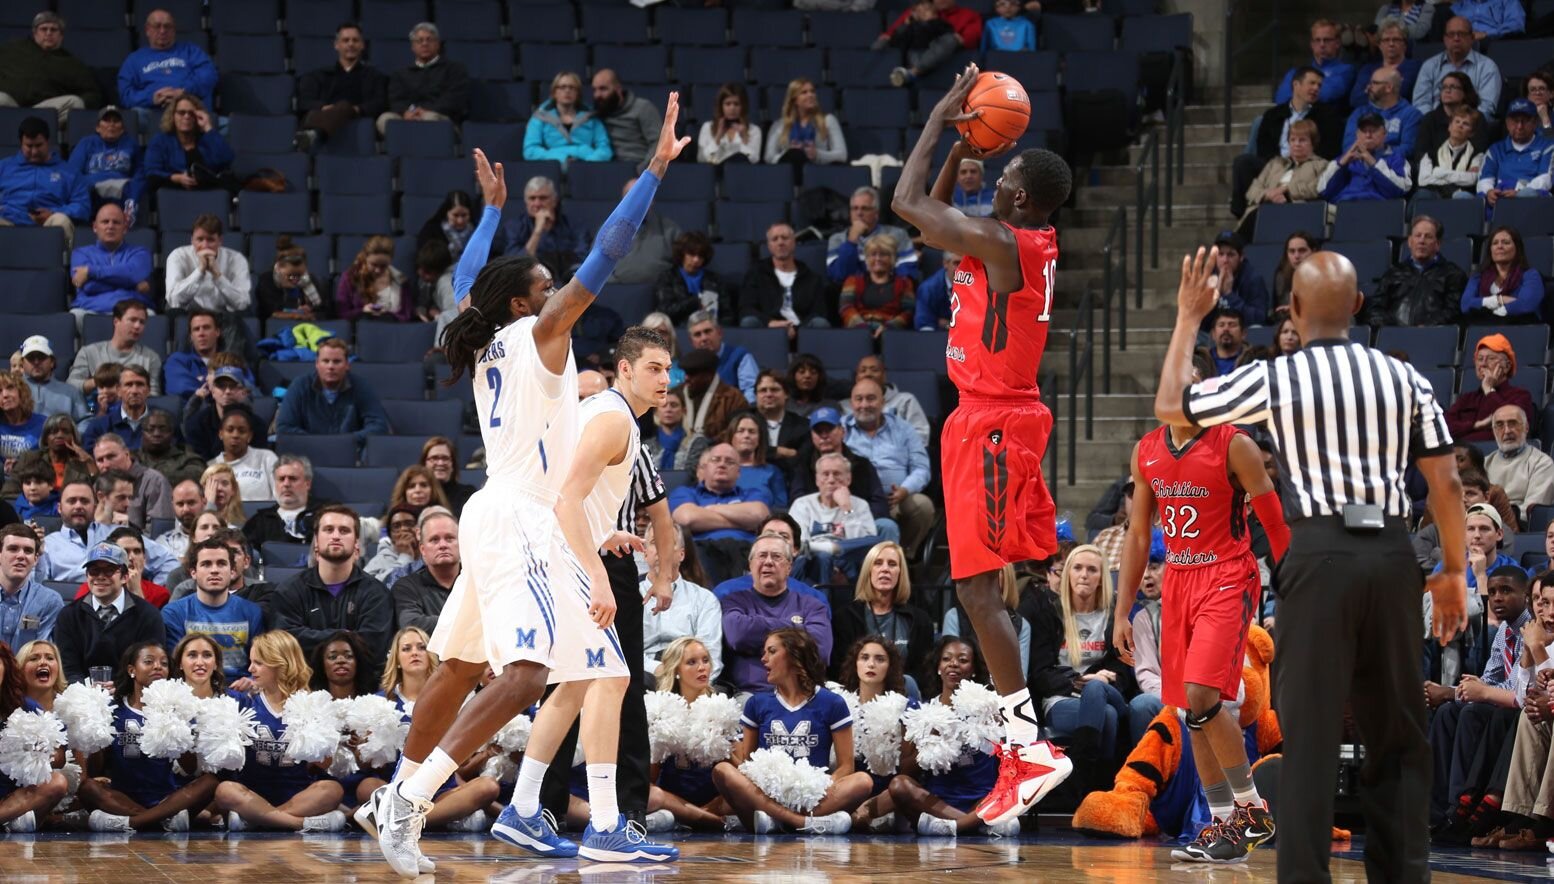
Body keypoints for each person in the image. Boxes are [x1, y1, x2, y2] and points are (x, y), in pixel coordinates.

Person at [363, 111, 690, 875]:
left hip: (501, 513)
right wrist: (654, 173)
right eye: (543, 287)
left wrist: (492, 215)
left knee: (456, 668)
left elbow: (468, 282)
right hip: (517, 517)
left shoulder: (482, 337)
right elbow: (608, 252)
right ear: (525, 305)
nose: (555, 291)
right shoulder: (539, 335)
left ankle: (398, 797)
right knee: (527, 674)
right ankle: (413, 798)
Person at [1155, 246, 1467, 881]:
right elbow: (1447, 484)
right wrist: (1456, 571)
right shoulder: (1406, 379)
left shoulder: (1276, 376)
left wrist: (1189, 317)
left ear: (1293, 308)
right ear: (1357, 305)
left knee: (1311, 741)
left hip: (1318, 555)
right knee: (1400, 738)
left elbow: (1171, 408)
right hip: (1390, 555)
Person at [892, 62, 1088, 825]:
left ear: (1019, 198)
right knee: (978, 583)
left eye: (1001, 170)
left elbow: (907, 206)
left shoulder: (1010, 245)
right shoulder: (1002, 238)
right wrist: (961, 153)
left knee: (978, 587)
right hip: (983, 417)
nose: (994, 177)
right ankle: (1026, 743)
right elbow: (933, 210)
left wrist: (943, 120)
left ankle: (1028, 744)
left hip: (997, 419)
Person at [1114, 417, 1287, 862]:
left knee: (1202, 694)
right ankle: (1222, 823)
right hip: (1178, 581)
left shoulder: (1235, 445)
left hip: (1228, 575)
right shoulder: (1147, 450)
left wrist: (1296, 584)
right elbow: (1137, 534)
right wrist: (1122, 608)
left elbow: (1275, 520)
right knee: (1189, 708)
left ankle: (1252, 811)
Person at [711, 626, 869, 832]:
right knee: (721, 771)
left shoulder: (832, 703)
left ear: (795, 656)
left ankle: (777, 822)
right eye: (764, 652)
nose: (763, 659)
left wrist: (816, 788)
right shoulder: (756, 703)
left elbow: (846, 768)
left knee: (862, 781)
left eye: (772, 651)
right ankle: (801, 823)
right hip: (765, 795)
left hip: (811, 797)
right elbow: (749, 765)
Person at [356, 627, 500, 830]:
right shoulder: (379, 702)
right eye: (406, 648)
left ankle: (401, 822)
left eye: (421, 647)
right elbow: (366, 766)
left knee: (488, 786)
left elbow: (459, 763)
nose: (414, 652)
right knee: (367, 786)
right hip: (393, 787)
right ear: (396, 659)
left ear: (431, 654)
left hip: (441, 792)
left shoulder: (451, 698)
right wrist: (366, 745)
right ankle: (426, 818)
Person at [212, 630, 349, 832]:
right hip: (251, 794)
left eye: (258, 663)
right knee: (224, 790)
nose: (250, 668)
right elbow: (225, 762)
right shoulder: (243, 700)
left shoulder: (311, 703)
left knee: (333, 790)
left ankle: (256, 821)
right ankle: (300, 824)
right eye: (251, 661)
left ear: (280, 664)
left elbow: (324, 764)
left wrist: (313, 741)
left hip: (298, 796)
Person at [78, 640, 221, 833]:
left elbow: (189, 768)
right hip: (122, 797)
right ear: (132, 670)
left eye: (163, 663)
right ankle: (160, 821)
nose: (157, 667)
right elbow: (96, 769)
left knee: (212, 782)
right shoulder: (115, 709)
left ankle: (134, 823)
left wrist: (177, 727)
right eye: (149, 661)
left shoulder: (179, 707)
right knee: (88, 787)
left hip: (168, 798)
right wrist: (94, 730)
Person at [887, 635, 1024, 836]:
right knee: (899, 786)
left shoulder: (991, 708)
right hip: (937, 803)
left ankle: (954, 827)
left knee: (1012, 793)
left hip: (981, 800)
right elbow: (906, 771)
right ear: (938, 667)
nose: (954, 664)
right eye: (946, 659)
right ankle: (973, 825)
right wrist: (929, 743)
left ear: (974, 669)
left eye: (963, 660)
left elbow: (1010, 765)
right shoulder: (921, 711)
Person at [267, 505, 393, 676]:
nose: (335, 536)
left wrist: (314, 639)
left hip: (362, 690)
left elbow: (373, 649)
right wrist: (345, 636)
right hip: (303, 688)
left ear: (356, 543)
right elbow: (284, 644)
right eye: (328, 530)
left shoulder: (376, 593)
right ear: (316, 543)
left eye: (344, 531)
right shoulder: (289, 591)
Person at [1230, 66, 1342, 219]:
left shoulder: (1328, 116)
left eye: (1319, 85)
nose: (1316, 88)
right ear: (1296, 85)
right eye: (1312, 83)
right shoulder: (1273, 115)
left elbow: (1330, 150)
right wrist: (1280, 167)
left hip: (1307, 165)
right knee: (1243, 162)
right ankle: (1243, 215)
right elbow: (1264, 148)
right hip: (1276, 164)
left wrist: (1300, 159)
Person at [644, 637, 730, 831]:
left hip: (716, 800)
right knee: (647, 793)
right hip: (674, 798)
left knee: (744, 792)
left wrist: (720, 737)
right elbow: (651, 776)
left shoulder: (723, 707)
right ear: (676, 671)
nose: (702, 668)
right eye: (692, 662)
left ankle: (691, 818)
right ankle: (711, 821)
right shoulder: (660, 709)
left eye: (705, 660)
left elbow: (736, 772)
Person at [52, 541, 167, 683]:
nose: (100, 576)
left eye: (109, 570)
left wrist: (120, 689)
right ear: (87, 575)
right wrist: (88, 693)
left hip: (132, 697)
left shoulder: (148, 615)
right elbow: (68, 668)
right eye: (94, 571)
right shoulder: (68, 615)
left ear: (125, 577)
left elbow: (151, 665)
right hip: (82, 697)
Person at [842, 378, 933, 556]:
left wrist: (905, 490)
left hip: (895, 500)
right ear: (851, 402)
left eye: (871, 398)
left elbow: (921, 467)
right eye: (858, 399)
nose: (864, 404)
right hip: (856, 501)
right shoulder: (841, 428)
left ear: (883, 401)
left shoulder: (904, 429)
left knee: (922, 506)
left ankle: (903, 556)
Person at [159, 538, 265, 681]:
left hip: (240, 692)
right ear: (193, 572)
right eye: (206, 564)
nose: (214, 570)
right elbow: (176, 667)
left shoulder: (252, 612)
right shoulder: (173, 613)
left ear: (232, 571)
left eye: (221, 564)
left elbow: (260, 663)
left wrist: (251, 681)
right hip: (191, 691)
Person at [670, 444, 773, 585]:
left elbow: (760, 516)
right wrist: (741, 521)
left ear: (738, 472)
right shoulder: (685, 492)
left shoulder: (753, 493)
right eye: (716, 460)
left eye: (730, 462)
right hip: (701, 551)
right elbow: (687, 519)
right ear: (705, 468)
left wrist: (709, 509)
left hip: (746, 551)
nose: (722, 464)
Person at [829, 541, 931, 681]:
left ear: (900, 573)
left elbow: (923, 673)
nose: (885, 569)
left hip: (905, 696)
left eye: (892, 564)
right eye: (878, 563)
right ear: (868, 571)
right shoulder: (844, 618)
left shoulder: (920, 620)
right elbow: (839, 670)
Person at [640, 524, 721, 678]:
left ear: (682, 554)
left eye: (668, 543)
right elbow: (626, 652)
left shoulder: (705, 600)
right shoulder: (629, 597)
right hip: (641, 677)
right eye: (654, 543)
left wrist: (686, 680)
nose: (661, 550)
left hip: (691, 678)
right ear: (645, 553)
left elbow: (710, 656)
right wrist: (658, 670)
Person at [294, 22, 389, 153]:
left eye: (355, 40)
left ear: (362, 45)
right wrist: (324, 107)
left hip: (357, 118)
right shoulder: (318, 75)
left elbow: (381, 102)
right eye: (345, 40)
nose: (351, 44)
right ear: (336, 45)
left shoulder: (375, 76)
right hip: (324, 113)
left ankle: (315, 134)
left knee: (345, 106)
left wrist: (356, 109)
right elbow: (303, 102)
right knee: (342, 106)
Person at [275, 338, 390, 444]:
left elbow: (378, 426)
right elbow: (284, 427)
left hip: (350, 454)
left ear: (347, 365)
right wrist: (318, 442)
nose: (331, 366)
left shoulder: (361, 386)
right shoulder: (300, 385)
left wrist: (346, 441)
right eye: (325, 361)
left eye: (337, 361)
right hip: (308, 453)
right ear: (317, 364)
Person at [1363, 214, 1467, 327]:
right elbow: (1375, 309)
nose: (1421, 241)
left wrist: (1426, 327)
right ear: (1410, 241)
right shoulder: (1393, 273)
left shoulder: (1453, 274)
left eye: (1428, 236)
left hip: (1431, 337)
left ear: (1437, 244)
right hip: (1392, 338)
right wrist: (1390, 328)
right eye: (1418, 235)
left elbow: (1453, 312)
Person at [0, 115, 89, 243]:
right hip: (10, 219)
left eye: (39, 145)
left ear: (48, 142)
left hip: (49, 222)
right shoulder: (4, 166)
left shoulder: (69, 172)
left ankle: (68, 262)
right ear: (21, 144)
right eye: (29, 146)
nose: (34, 151)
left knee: (61, 220)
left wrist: (53, 212)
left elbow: (83, 206)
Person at [141, 94, 237, 212]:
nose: (186, 116)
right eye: (181, 113)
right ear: (173, 116)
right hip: (174, 198)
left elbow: (226, 158)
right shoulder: (160, 141)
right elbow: (151, 174)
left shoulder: (207, 139)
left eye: (191, 113)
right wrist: (175, 178)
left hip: (207, 197)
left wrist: (208, 127)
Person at [0, 12, 99, 125]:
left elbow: (92, 94)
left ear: (61, 35)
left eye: (53, 30)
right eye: (44, 29)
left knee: (75, 102)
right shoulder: (13, 49)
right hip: (10, 107)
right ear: (35, 33)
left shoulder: (71, 63)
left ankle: (35, 128)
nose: (48, 33)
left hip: (44, 113)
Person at [116, 9, 216, 116]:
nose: (163, 31)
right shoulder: (134, 60)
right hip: (151, 113)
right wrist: (151, 97)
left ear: (174, 30)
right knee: (132, 117)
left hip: (188, 111)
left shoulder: (190, 51)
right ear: (147, 30)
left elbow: (209, 76)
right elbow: (125, 95)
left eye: (167, 26)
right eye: (157, 26)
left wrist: (184, 91)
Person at [377, 23, 470, 135]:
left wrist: (426, 110)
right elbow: (395, 99)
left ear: (438, 44)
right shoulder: (401, 73)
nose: (424, 43)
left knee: (429, 118)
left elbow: (454, 99)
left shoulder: (454, 69)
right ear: (413, 46)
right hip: (408, 116)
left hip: (440, 116)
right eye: (419, 40)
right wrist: (406, 112)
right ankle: (403, 149)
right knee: (385, 119)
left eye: (429, 40)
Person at [739, 221, 830, 333]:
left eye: (785, 238)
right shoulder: (756, 274)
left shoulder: (812, 278)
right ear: (769, 245)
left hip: (802, 330)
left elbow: (819, 312)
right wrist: (770, 322)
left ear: (794, 242)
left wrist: (796, 329)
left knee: (820, 323)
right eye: (775, 239)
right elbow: (746, 308)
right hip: (768, 329)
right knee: (749, 321)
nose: (780, 242)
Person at [70, 202, 153, 314]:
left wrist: (90, 271)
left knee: (150, 315)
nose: (110, 226)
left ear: (125, 228)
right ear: (95, 227)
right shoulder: (80, 253)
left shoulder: (140, 252)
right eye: (105, 222)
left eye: (116, 222)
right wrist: (131, 285)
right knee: (76, 314)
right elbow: (89, 286)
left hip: (131, 311)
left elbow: (134, 274)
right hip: (90, 310)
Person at [68, 300, 162, 397]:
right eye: (132, 320)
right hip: (94, 409)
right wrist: (101, 382)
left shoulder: (151, 357)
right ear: (116, 321)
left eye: (142, 322)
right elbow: (71, 385)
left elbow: (153, 394)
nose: (137, 326)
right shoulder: (89, 352)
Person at [879, 0, 983, 89]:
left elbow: (968, 40)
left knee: (950, 40)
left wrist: (932, 21)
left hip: (949, 63)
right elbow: (890, 35)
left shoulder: (969, 15)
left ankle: (913, 72)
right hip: (914, 54)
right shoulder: (920, 9)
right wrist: (912, 23)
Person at [1413, 17, 1502, 120]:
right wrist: (1435, 124)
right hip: (1435, 127)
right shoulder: (1429, 66)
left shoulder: (1487, 67)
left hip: (1470, 128)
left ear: (1472, 38)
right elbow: (1420, 104)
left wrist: (1459, 124)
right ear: (1444, 39)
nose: (1456, 38)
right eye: (1451, 34)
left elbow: (1486, 109)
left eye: (1462, 34)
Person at [500, 175, 589, 278]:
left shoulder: (575, 226)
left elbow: (583, 260)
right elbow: (515, 266)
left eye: (543, 198)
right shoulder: (513, 227)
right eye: (532, 198)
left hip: (569, 282)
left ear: (554, 200)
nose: (537, 203)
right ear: (526, 202)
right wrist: (538, 231)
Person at [826, 186, 916, 285]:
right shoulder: (837, 239)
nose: (859, 213)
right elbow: (839, 276)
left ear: (876, 213)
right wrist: (851, 242)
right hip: (852, 295)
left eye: (865, 208)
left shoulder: (898, 235)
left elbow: (907, 275)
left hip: (889, 292)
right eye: (855, 208)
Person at [1318, 111, 1411, 203]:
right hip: (1344, 209)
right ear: (1357, 134)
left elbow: (1400, 190)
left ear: (1384, 134)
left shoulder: (1396, 159)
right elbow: (1323, 191)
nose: (1368, 135)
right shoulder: (1344, 160)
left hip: (1378, 209)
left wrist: (1373, 164)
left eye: (1373, 130)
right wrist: (1341, 165)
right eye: (1364, 131)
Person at [524, 70, 612, 167]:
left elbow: (605, 149)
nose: (567, 90)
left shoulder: (591, 118)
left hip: (587, 168)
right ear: (554, 92)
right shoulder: (539, 117)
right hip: (552, 168)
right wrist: (560, 158)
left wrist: (587, 162)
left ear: (578, 93)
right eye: (562, 87)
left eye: (572, 87)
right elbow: (530, 151)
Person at [165, 215, 250, 313]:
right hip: (189, 313)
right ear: (192, 240)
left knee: (245, 313)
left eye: (210, 240)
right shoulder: (178, 256)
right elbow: (174, 300)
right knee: (174, 312)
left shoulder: (236, 259)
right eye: (200, 239)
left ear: (220, 241)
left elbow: (242, 303)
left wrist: (217, 276)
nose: (205, 246)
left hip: (223, 314)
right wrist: (200, 271)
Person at [393, 507, 459, 634]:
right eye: (434, 540)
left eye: (449, 538)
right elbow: (412, 626)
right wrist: (467, 622)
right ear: (422, 549)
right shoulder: (406, 587)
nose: (443, 545)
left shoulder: (479, 582)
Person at [1476, 99, 1554, 206]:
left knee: (1529, 194)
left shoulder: (1548, 147)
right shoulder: (1495, 150)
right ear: (1507, 123)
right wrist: (1489, 192)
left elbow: (1546, 179)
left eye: (1525, 120)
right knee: (1463, 198)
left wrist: (1519, 192)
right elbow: (1484, 178)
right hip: (1500, 201)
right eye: (1515, 121)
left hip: (1533, 204)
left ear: (1535, 122)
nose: (1519, 126)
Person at [1461, 225, 1546, 323]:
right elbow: (1466, 305)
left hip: (1519, 329)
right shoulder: (1477, 278)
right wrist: (1499, 300)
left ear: (1517, 248)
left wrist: (1486, 307)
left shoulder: (1530, 275)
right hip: (1485, 331)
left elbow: (1526, 304)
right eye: (1495, 243)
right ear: (1490, 250)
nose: (1500, 246)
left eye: (1506, 242)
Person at [1484, 405, 1554, 522]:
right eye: (1500, 425)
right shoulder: (1485, 463)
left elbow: (1533, 512)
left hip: (1518, 527)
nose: (1507, 431)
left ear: (1526, 428)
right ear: (1494, 431)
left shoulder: (1542, 463)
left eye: (1513, 423)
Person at [840, 235, 916, 335]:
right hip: (857, 335)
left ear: (892, 258)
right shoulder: (852, 281)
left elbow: (908, 312)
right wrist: (862, 329)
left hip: (891, 336)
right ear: (866, 258)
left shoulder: (904, 283)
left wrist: (888, 329)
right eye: (873, 254)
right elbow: (846, 308)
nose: (877, 259)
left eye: (883, 255)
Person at [0, 525, 61, 651]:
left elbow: (40, 654)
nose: (21, 556)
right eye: (13, 549)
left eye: (28, 550)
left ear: (35, 559)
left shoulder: (49, 601)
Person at [243, 455, 324, 549]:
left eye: (293, 478)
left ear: (307, 484)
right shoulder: (259, 521)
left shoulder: (326, 514)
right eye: (281, 479)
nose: (286, 484)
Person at [1341, 65, 1422, 157]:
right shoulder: (1359, 113)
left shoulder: (1411, 115)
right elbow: (1348, 147)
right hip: (1360, 167)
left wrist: (1376, 153)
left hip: (1393, 168)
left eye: (1374, 83)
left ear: (1389, 87)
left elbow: (1408, 149)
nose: (1368, 87)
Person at [1272, 20, 1356, 107]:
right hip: (1294, 117)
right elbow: (1281, 99)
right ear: (1312, 44)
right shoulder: (1294, 72)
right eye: (1317, 40)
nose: (1322, 44)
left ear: (1337, 43)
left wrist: (1298, 93)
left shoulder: (1346, 70)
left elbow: (1327, 94)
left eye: (1327, 40)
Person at [764, 78, 847, 166]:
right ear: (794, 100)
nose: (811, 95)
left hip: (818, 172)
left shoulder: (828, 120)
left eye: (812, 91)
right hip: (787, 172)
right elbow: (769, 157)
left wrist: (817, 154)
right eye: (804, 92)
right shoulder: (779, 125)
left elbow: (842, 155)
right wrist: (788, 153)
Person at [1414, 72, 1492, 165]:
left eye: (1453, 87)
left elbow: (1479, 150)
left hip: (1466, 170)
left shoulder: (1477, 118)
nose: (1447, 91)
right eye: (1444, 87)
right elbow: (1420, 153)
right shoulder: (1430, 119)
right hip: (1435, 171)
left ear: (1465, 93)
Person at [655, 232, 732, 325]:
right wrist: (696, 302)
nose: (696, 260)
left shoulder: (715, 279)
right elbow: (665, 311)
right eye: (692, 254)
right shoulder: (667, 277)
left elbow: (727, 314)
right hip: (678, 330)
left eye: (700, 256)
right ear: (681, 254)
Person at [181, 363, 252, 460]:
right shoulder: (197, 424)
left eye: (233, 386)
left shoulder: (255, 424)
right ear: (213, 391)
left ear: (243, 392)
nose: (227, 391)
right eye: (221, 386)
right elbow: (196, 462)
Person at [1201, 232, 1270, 332]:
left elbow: (1259, 318)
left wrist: (1230, 295)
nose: (1225, 260)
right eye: (1220, 254)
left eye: (1230, 255)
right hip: (1213, 333)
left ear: (1241, 257)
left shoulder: (1253, 279)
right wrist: (1216, 294)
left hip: (1241, 334)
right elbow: (1200, 319)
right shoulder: (1207, 276)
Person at [591, 69, 660, 168]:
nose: (597, 95)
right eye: (594, 90)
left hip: (638, 168)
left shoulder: (643, 107)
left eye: (603, 89)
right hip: (606, 169)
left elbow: (658, 144)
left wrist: (644, 173)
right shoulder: (598, 113)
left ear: (618, 89)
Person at [208, 406, 275, 504]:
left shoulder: (267, 458)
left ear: (249, 436)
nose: (235, 435)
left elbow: (280, 495)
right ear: (221, 434)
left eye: (242, 431)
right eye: (230, 430)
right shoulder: (212, 467)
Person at [1349, 19, 1421, 112]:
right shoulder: (1368, 69)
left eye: (1396, 40)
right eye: (1386, 40)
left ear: (1404, 44)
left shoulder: (1414, 67)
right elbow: (1355, 99)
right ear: (1379, 45)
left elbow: (1402, 92)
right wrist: (1386, 89)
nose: (1391, 44)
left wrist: (1371, 90)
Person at [687, 312, 758, 404]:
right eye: (697, 334)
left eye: (707, 331)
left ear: (719, 333)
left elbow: (751, 391)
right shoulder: (690, 364)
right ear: (691, 341)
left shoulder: (740, 356)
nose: (703, 338)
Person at [337, 235, 413, 322]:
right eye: (373, 265)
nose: (378, 270)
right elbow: (342, 313)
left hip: (394, 329)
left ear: (391, 260)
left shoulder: (400, 279)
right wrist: (362, 311)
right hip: (361, 328)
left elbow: (407, 315)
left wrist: (388, 314)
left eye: (383, 266)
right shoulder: (350, 277)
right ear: (365, 258)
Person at [1416, 104, 1485, 197]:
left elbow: (1472, 179)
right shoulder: (1431, 153)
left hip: (1460, 197)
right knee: (1423, 194)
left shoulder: (1477, 155)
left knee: (1463, 196)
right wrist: (1459, 178)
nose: (1460, 126)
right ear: (1449, 127)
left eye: (1466, 124)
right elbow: (1423, 180)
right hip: (1436, 196)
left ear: (1471, 133)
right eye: (1457, 121)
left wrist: (1439, 173)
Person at [82, 365, 153, 452]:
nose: (134, 391)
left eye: (140, 384)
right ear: (119, 390)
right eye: (128, 385)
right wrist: (99, 411)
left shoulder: (162, 423)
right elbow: (89, 457)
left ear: (149, 390)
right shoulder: (95, 418)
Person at [255, 236, 329, 321]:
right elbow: (270, 313)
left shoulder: (310, 280)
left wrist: (310, 309)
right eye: (290, 275)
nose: (295, 279)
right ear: (279, 268)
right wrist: (295, 311)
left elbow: (323, 312)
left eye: (299, 275)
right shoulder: (266, 281)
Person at [17, 337, 87, 421]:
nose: (36, 362)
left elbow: (85, 421)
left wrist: (74, 434)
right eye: (31, 358)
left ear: (52, 362)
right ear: (22, 363)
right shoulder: (10, 389)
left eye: (41, 357)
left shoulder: (71, 392)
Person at [162, 309, 224, 398]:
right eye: (196, 329)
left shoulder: (231, 361)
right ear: (191, 336)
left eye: (206, 328)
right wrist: (221, 389)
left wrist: (201, 384)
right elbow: (180, 390)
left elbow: (245, 389)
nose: (201, 333)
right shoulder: (177, 360)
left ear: (217, 332)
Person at [697, 83, 762, 165]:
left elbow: (754, 159)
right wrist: (718, 137)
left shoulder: (754, 130)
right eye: (728, 104)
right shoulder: (708, 127)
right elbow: (701, 158)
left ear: (743, 107)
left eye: (736, 104)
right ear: (721, 106)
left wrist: (744, 138)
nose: (732, 108)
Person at [419, 437, 475, 517]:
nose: (440, 463)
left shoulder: (467, 494)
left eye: (445, 458)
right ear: (424, 464)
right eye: (434, 458)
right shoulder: (417, 494)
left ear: (453, 465)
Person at [1452, 0, 1525, 37]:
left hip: (1495, 42)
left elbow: (1516, 24)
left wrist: (1486, 34)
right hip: (1464, 45)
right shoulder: (1461, 4)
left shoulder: (1507, 1)